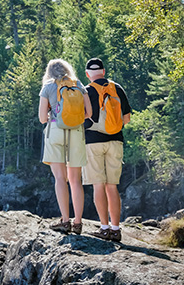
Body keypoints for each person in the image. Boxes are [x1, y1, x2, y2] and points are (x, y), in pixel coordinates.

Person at [39, 59, 92, 235]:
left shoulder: (48, 86)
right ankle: (78, 223)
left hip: (55, 130)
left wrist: (52, 113)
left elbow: (42, 118)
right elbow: (89, 113)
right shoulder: (78, 85)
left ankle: (64, 221)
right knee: (76, 180)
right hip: (76, 132)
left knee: (60, 179)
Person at [82, 58, 131, 242]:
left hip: (93, 141)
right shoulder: (117, 88)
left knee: (98, 185)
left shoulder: (86, 91)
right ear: (103, 71)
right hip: (116, 141)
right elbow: (126, 119)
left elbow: (82, 120)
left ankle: (104, 228)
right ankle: (116, 229)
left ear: (88, 74)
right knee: (112, 186)